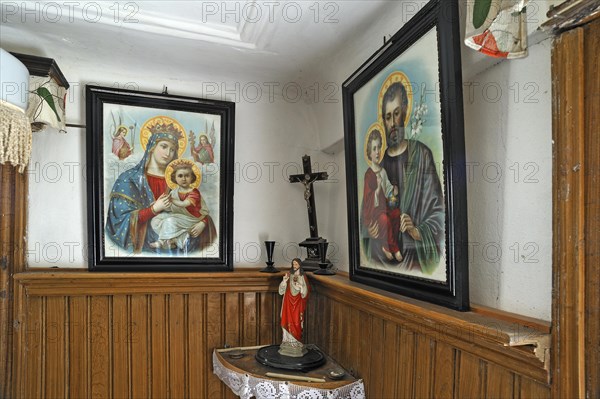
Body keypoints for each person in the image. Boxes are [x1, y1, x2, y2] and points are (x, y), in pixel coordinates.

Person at [370, 80, 445, 274]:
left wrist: (416, 230)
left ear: (405, 112)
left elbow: (439, 215)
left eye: (396, 113)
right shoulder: (378, 167)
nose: (393, 122)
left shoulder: (422, 155)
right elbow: (368, 211)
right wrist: (371, 228)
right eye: (387, 117)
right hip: (381, 264)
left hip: (414, 260)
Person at [105, 121, 213, 254]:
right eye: (164, 146)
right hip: (145, 246)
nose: (168, 153)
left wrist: (203, 222)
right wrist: (154, 209)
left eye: (172, 149)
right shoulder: (128, 179)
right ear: (151, 146)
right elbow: (119, 221)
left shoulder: (180, 180)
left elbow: (197, 209)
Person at [150, 160, 216, 250]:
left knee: (170, 221)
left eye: (187, 176)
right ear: (175, 178)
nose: (184, 179)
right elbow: (170, 208)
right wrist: (158, 204)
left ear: (192, 178)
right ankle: (175, 240)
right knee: (156, 220)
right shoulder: (174, 192)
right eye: (180, 176)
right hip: (180, 217)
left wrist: (171, 200)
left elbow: (183, 204)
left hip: (192, 219)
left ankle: (162, 241)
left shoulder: (194, 192)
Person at [361, 127, 402, 262]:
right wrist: (377, 188)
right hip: (374, 212)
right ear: (369, 152)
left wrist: (393, 189)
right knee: (384, 219)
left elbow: (388, 187)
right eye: (374, 149)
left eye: (379, 147)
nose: (377, 152)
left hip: (385, 206)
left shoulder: (383, 171)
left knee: (396, 213)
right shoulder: (368, 174)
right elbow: (368, 199)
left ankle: (391, 244)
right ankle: (389, 247)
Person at [278, 258, 309, 357]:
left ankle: (295, 341)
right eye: (293, 263)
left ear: (300, 265)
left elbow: (306, 291)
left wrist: (300, 287)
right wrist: (284, 281)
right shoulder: (289, 274)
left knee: (296, 321)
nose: (294, 265)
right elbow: (281, 290)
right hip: (288, 301)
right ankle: (287, 341)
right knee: (286, 319)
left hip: (297, 303)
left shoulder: (302, 276)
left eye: (296, 263)